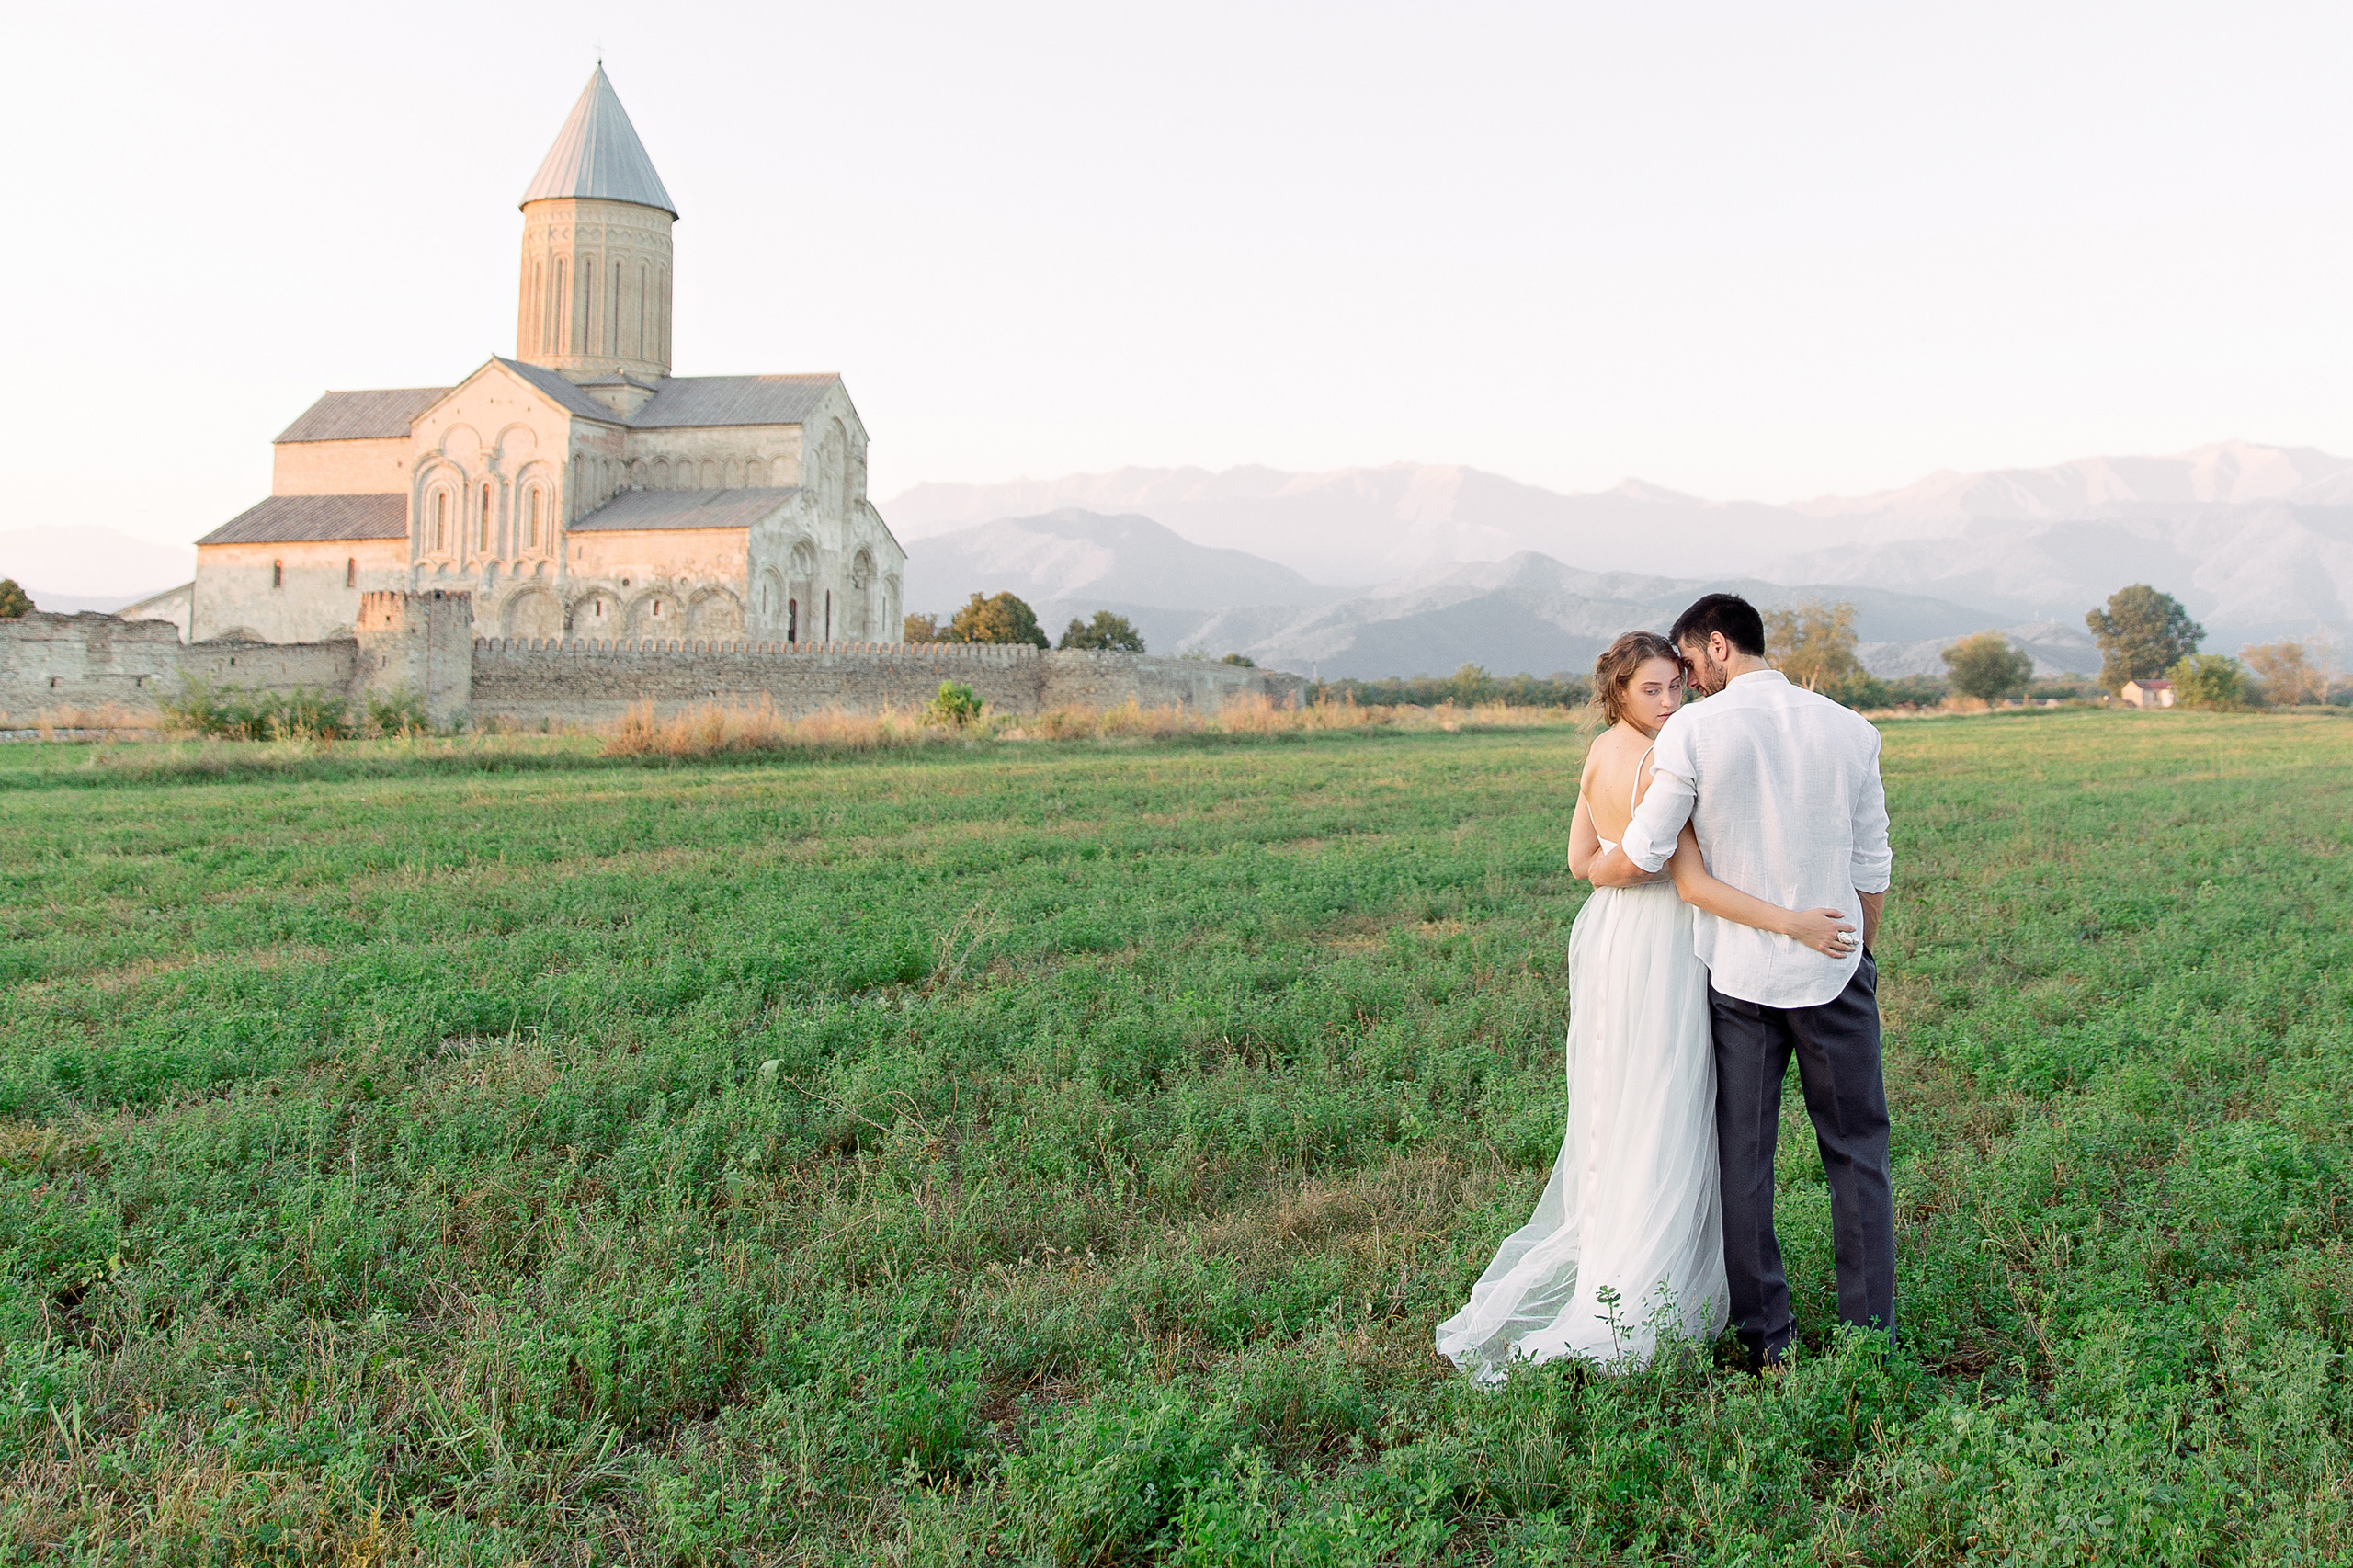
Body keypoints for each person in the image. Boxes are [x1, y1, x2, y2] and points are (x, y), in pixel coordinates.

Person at [1434, 631, 1860, 1379]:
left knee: (1621, 1104)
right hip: (1663, 940)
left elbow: (1582, 862)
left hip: (1610, 939)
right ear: (1619, 693)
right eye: (1651, 690)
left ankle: (1623, 1261)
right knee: (1667, 1105)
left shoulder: (1598, 753)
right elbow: (1691, 884)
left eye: (1675, 686)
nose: (1669, 701)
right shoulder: (1666, 758)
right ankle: (1654, 1282)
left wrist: (1618, 871)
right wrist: (1793, 922)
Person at [1600, 593, 1896, 1369]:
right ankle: (1871, 1339)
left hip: (1739, 980)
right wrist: (1862, 952)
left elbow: (1648, 848)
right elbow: (1872, 863)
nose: (1689, 682)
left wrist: (1596, 868)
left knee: (1745, 1162)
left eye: (1690, 663)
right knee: (1858, 1156)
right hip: (1836, 968)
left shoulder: (1694, 731)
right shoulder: (1852, 729)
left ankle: (1768, 1339)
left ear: (1718, 645)